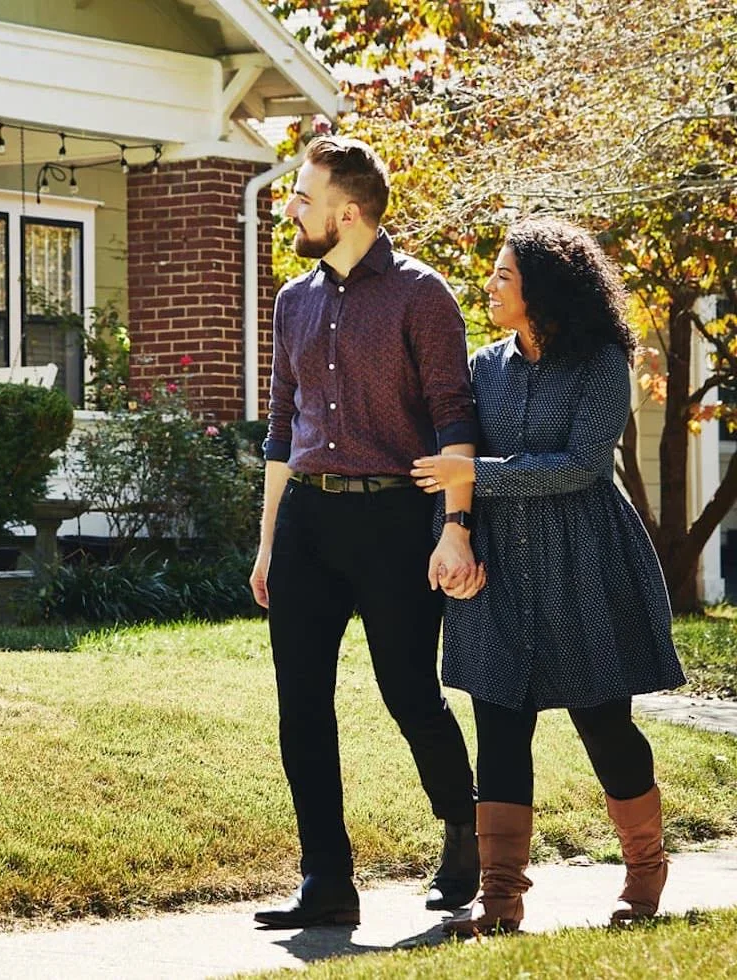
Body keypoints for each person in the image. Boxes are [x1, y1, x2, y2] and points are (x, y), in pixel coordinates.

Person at [411, 217, 686, 936]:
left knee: (606, 725)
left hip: (586, 563)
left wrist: (475, 475)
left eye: (505, 275)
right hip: (499, 572)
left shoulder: (601, 363)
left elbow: (580, 467)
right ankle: (500, 905)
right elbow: (455, 460)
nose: (490, 286)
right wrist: (457, 531)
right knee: (500, 728)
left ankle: (644, 880)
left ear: (545, 290)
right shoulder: (483, 368)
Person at [249, 135, 486, 929]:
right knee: (300, 704)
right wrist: (269, 540)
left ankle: (463, 829)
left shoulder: (423, 295)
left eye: (304, 198)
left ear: (348, 212)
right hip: (310, 520)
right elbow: (282, 428)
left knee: (409, 692)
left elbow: (456, 417)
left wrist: (454, 530)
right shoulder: (293, 300)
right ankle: (326, 881)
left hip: (392, 519)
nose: (293, 210)